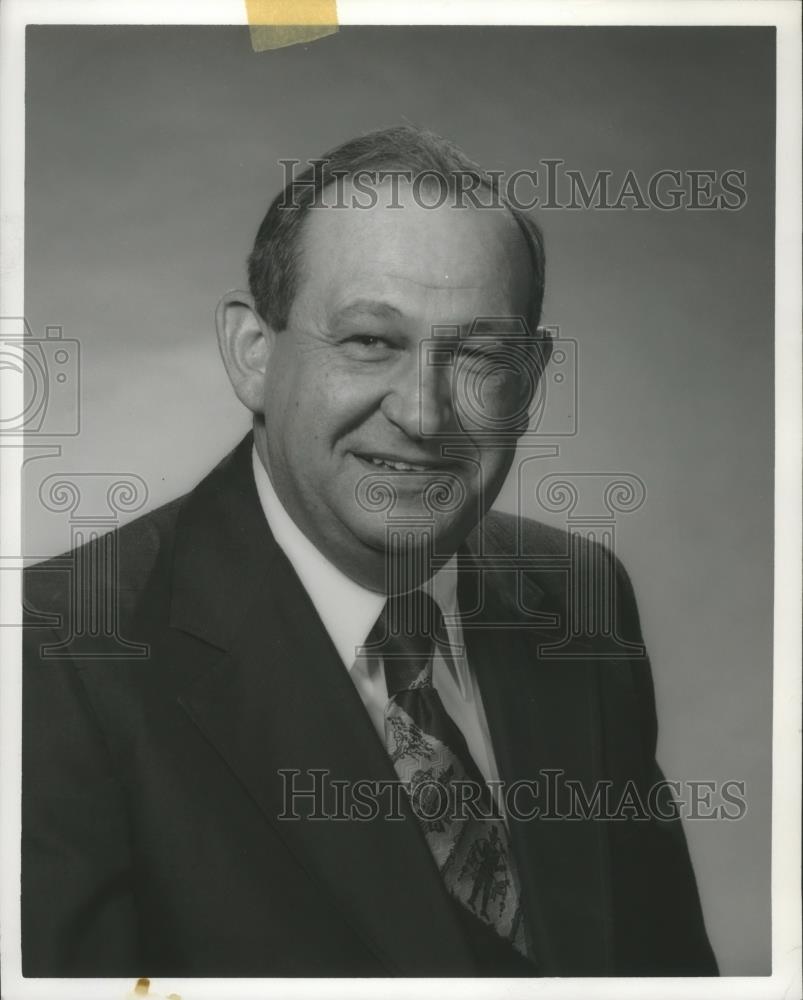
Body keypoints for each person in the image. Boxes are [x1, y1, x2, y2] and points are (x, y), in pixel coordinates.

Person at [22, 125, 717, 978]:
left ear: (530, 382)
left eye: (480, 356)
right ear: (251, 353)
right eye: (370, 342)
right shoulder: (58, 653)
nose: (424, 415)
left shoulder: (579, 597)